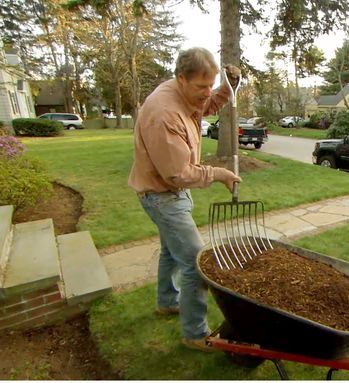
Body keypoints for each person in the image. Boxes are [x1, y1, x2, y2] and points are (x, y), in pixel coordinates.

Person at [128, 47, 241, 352]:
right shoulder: (164, 114)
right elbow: (178, 174)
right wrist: (218, 173)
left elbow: (203, 107)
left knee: (170, 251)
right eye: (201, 87)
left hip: (167, 192)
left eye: (210, 85)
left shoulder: (185, 95)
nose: (206, 93)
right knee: (194, 262)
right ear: (181, 78)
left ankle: (167, 301)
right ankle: (194, 333)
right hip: (163, 195)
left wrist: (227, 89)